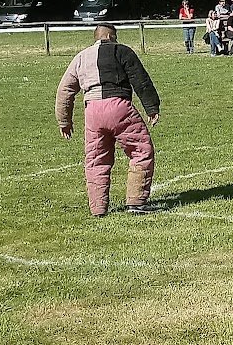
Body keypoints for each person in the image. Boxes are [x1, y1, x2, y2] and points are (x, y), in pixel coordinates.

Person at [55, 23, 160, 217]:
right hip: (119, 108)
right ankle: (136, 202)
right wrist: (152, 107)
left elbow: (65, 90)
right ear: (111, 37)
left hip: (92, 112)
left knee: (96, 160)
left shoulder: (81, 57)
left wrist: (64, 120)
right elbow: (140, 79)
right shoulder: (122, 51)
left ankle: (98, 209)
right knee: (141, 150)